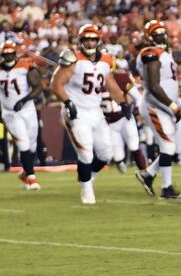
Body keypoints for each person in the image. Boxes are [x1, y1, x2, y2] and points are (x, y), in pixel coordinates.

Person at [51, 24, 129, 204]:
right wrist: (68, 102)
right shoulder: (73, 58)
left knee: (106, 154)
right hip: (77, 111)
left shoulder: (106, 60)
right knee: (86, 154)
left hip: (96, 111)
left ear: (98, 41)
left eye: (93, 39)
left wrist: (123, 103)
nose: (90, 43)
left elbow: (111, 85)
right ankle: (87, 191)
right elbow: (56, 84)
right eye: (86, 39)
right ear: (81, 41)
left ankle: (88, 177)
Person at [134, 20, 181, 200]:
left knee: (174, 145)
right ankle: (167, 188)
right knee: (168, 145)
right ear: (149, 37)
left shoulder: (164, 53)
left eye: (162, 33)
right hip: (154, 105)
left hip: (163, 106)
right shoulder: (150, 52)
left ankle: (148, 174)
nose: (161, 37)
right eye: (156, 35)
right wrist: (172, 106)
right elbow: (154, 86)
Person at [0, 41, 43, 188]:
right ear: (2, 54)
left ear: (15, 53)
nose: (8, 56)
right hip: (10, 113)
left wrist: (24, 100)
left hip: (27, 109)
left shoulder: (25, 65)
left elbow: (38, 87)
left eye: (10, 53)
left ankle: (25, 172)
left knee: (32, 145)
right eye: (5, 54)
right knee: (23, 143)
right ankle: (31, 178)